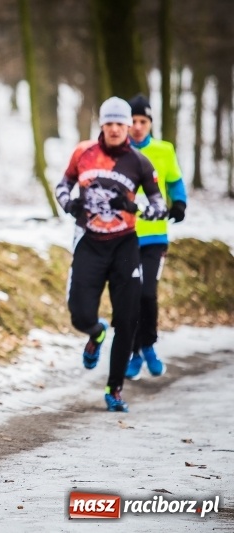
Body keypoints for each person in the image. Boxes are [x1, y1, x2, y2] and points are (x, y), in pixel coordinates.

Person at [54, 96, 167, 413]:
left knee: (128, 319)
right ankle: (95, 333)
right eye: (109, 123)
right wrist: (69, 204)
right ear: (101, 125)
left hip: (125, 246)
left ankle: (114, 389)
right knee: (80, 314)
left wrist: (136, 207)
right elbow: (62, 185)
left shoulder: (139, 163)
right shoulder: (83, 152)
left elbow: (160, 207)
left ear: (129, 126)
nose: (115, 129)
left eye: (121, 123)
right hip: (90, 243)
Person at [124, 93, 188, 380]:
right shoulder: (118, 151)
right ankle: (135, 352)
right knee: (131, 296)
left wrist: (180, 203)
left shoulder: (164, 150)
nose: (138, 126)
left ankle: (148, 345)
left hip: (154, 236)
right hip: (124, 236)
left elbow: (175, 182)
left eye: (143, 121)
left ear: (150, 123)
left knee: (147, 292)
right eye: (133, 121)